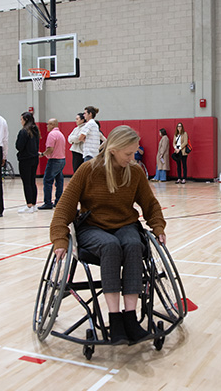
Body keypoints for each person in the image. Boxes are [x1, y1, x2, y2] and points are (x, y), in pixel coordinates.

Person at [49, 125, 166, 345]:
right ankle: (115, 319)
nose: (133, 158)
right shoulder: (89, 170)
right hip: (93, 227)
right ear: (113, 149)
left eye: (134, 153)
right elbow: (64, 207)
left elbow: (150, 205)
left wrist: (158, 227)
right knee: (110, 246)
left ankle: (130, 318)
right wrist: (60, 238)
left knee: (133, 245)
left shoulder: (135, 172)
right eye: (128, 154)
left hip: (125, 224)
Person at [38, 118, 66, 210]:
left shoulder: (52, 134)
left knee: (47, 181)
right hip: (62, 159)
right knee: (59, 181)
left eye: (48, 124)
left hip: (54, 160)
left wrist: (42, 154)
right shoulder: (61, 134)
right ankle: (59, 201)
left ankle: (47, 202)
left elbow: (50, 149)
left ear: (53, 125)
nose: (47, 126)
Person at [15, 112, 40, 213]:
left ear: (25, 120)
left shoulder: (24, 131)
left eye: (21, 119)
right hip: (34, 158)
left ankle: (29, 205)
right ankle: (33, 204)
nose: (20, 121)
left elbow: (19, 146)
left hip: (25, 159)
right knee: (32, 181)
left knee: (26, 182)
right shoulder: (35, 130)